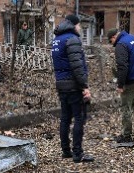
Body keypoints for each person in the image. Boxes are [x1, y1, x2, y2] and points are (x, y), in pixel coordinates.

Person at [51, 14, 94, 163]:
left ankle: (65, 151)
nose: (80, 27)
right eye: (79, 25)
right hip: (73, 86)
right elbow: (77, 66)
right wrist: (84, 86)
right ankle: (77, 153)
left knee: (65, 118)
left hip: (61, 84)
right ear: (74, 24)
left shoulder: (57, 40)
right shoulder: (72, 39)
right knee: (79, 118)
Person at [108, 28, 134, 143]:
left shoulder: (121, 45)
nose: (112, 44)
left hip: (132, 80)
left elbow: (122, 66)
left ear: (113, 37)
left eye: (111, 42)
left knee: (126, 107)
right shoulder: (133, 38)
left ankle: (126, 135)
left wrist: (120, 84)